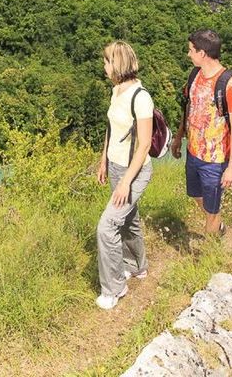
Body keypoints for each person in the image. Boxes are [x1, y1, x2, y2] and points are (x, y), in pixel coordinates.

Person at [96, 41, 154, 310]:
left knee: (107, 227)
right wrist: (103, 160)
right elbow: (111, 127)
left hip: (135, 171)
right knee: (129, 220)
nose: (104, 66)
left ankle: (114, 287)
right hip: (116, 166)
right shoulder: (116, 90)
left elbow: (143, 145)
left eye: (107, 61)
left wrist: (125, 182)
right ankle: (137, 266)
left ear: (117, 64)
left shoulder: (141, 98)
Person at [171, 29, 232, 235]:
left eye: (191, 50)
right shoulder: (195, 75)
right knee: (195, 194)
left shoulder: (230, 84)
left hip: (216, 158)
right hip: (193, 152)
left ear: (202, 53)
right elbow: (189, 108)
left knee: (212, 210)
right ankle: (218, 223)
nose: (188, 54)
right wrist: (178, 138)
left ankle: (210, 254)